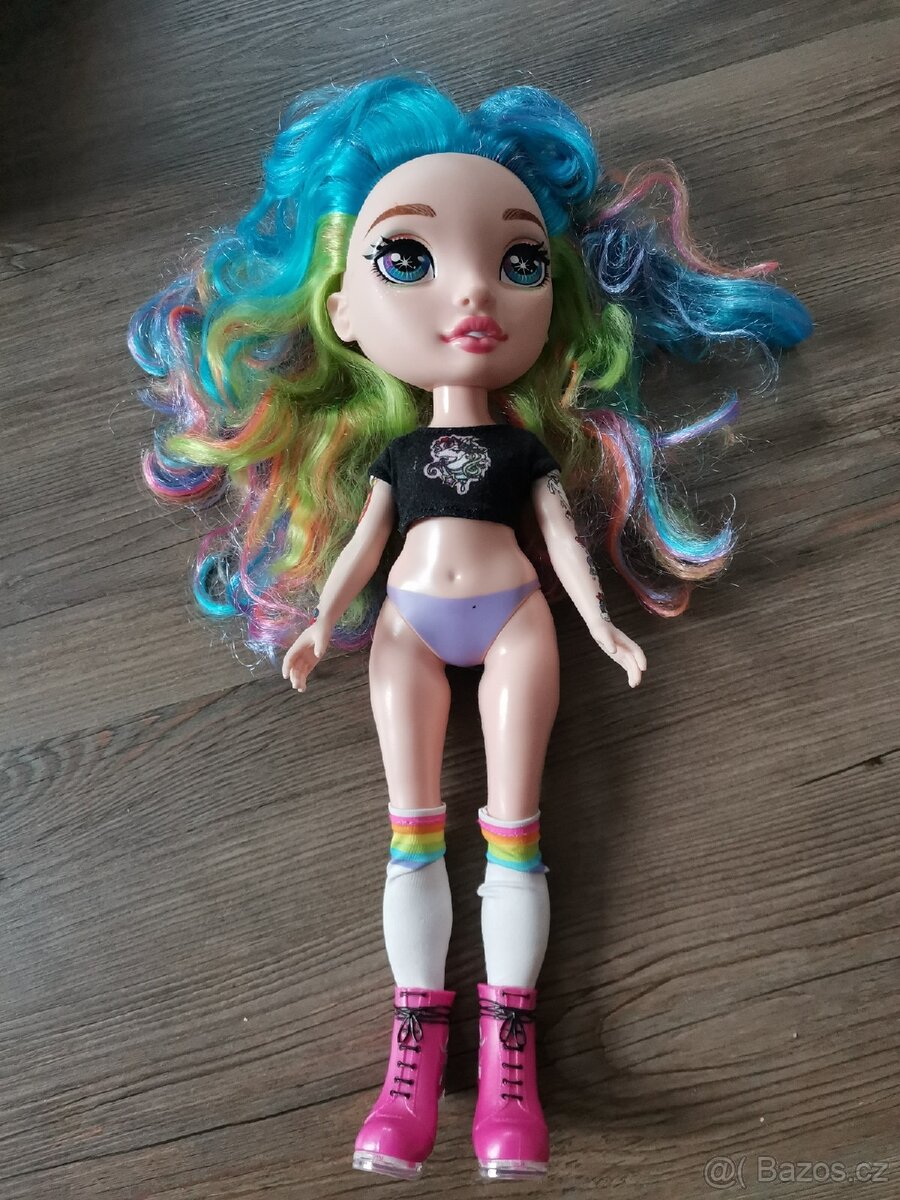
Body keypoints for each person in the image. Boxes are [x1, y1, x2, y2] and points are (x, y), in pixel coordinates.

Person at [127, 76, 812, 1181]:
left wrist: (605, 628)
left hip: (516, 622)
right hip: (408, 624)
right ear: (343, 314)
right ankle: (409, 1062)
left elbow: (565, 545)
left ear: (556, 299)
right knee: (412, 830)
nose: (476, 290)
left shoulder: (525, 452)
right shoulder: (396, 457)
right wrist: (318, 624)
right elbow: (363, 548)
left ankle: (509, 1069)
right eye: (407, 258)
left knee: (513, 833)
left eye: (520, 261)